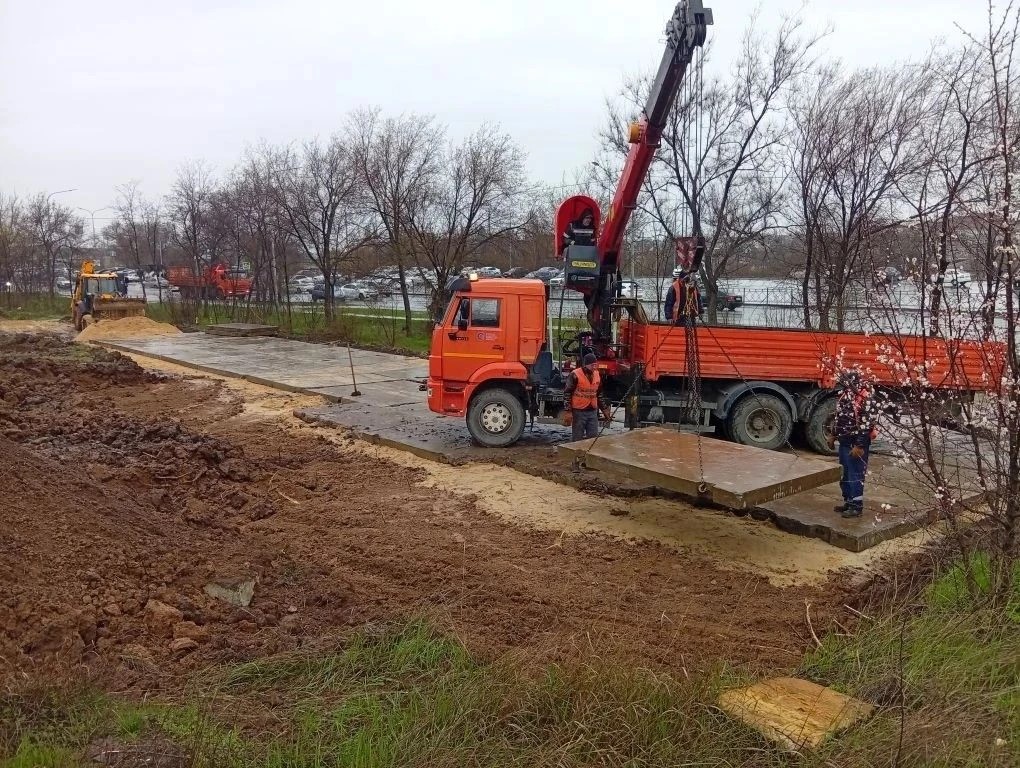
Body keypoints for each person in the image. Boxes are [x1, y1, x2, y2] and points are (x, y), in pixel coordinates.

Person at [828, 370, 879, 518]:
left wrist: (860, 445)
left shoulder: (865, 398)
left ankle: (856, 506)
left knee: (856, 474)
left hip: (855, 443)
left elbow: (866, 424)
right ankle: (849, 502)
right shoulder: (844, 395)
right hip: (844, 441)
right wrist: (833, 435)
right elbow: (839, 418)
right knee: (845, 474)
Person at [562, 352, 612, 441]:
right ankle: (576, 454)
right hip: (579, 412)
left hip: (592, 411)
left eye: (595, 365)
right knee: (577, 438)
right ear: (586, 365)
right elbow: (567, 393)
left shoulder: (597, 374)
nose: (594, 367)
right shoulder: (575, 374)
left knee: (593, 438)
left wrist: (604, 410)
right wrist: (568, 411)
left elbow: (599, 394)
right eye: (592, 365)